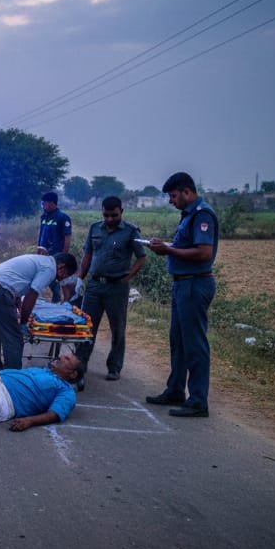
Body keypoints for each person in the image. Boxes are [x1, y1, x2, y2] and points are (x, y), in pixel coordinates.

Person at [143, 172, 219, 418]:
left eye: (173, 196)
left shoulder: (202, 214)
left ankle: (198, 400)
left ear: (187, 192)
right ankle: (175, 390)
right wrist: (165, 247)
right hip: (182, 285)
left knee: (195, 344)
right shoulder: (188, 215)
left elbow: (203, 253)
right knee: (178, 341)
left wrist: (168, 250)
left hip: (195, 285)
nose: (171, 201)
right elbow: (186, 247)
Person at [74, 196, 147, 386]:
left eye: (114, 215)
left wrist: (128, 276)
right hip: (95, 286)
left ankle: (114, 367)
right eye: (106, 215)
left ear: (121, 212)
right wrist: (79, 279)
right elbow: (87, 255)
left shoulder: (131, 231)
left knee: (118, 328)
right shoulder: (94, 228)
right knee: (87, 327)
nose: (109, 219)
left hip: (117, 287)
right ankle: (80, 364)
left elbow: (141, 257)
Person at [0, 252, 77, 370]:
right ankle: (13, 376)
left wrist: (19, 309)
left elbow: (17, 288)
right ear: (62, 267)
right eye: (66, 274)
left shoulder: (40, 260)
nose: (63, 279)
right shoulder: (50, 269)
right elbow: (32, 295)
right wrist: (23, 322)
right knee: (14, 338)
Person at [36, 191, 72, 303]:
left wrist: (63, 256)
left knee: (57, 281)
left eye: (44, 203)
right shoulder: (44, 217)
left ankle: (60, 303)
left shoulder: (63, 218)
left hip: (56, 255)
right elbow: (41, 234)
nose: (43, 206)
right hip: (43, 255)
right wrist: (38, 250)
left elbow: (67, 238)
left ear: (52, 203)